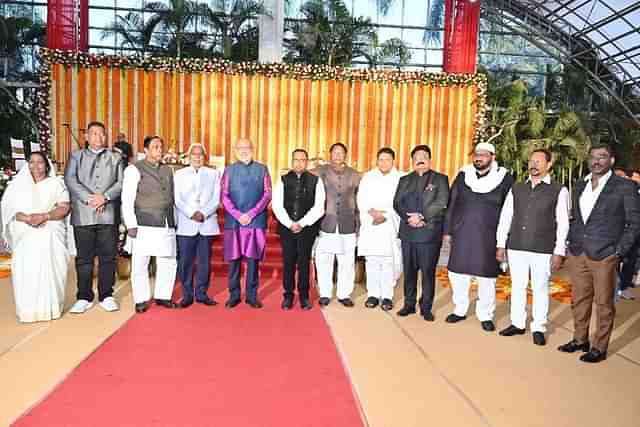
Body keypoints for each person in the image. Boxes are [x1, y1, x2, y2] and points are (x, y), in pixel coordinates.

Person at [558, 145, 640, 363]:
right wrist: (568, 244)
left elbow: (634, 223)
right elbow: (575, 217)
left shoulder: (624, 187)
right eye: (593, 157)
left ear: (611, 160)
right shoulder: (579, 185)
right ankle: (579, 339)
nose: (596, 161)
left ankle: (599, 347)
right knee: (579, 300)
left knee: (604, 303)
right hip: (578, 251)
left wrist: (619, 251)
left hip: (605, 254)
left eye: (602, 157)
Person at [495, 149, 570, 346]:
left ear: (548, 165)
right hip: (517, 245)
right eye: (531, 161)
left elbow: (563, 223)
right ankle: (517, 323)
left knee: (540, 288)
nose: (533, 164)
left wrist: (559, 251)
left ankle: (539, 327)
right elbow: (506, 217)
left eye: (538, 161)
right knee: (517, 286)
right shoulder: (517, 188)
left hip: (543, 248)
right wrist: (501, 244)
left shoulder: (559, 190)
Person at [444, 142, 514, 331]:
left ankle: (486, 314)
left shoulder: (504, 178)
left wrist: (504, 240)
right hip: (463, 232)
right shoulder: (463, 175)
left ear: (492, 156)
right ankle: (460, 309)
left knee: (486, 277)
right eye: (476, 154)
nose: (478, 157)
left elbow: (509, 210)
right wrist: (448, 231)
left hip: (489, 235)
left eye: (483, 154)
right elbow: (452, 203)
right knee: (457, 273)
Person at [1, 152, 71, 322]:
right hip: (24, 229)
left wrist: (45, 216)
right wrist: (27, 219)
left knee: (48, 241)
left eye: (40, 162)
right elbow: (9, 211)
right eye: (32, 162)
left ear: (46, 165)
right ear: (27, 165)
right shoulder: (17, 186)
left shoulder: (56, 183)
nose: (36, 166)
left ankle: (51, 308)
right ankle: (28, 311)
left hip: (50, 227)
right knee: (27, 266)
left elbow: (64, 207)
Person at [64, 121, 124, 314]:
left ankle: (106, 295)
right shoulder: (76, 156)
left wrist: (104, 197)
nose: (98, 137)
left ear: (105, 137)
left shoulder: (116, 157)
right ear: (87, 137)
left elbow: (121, 182)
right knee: (84, 258)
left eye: (102, 134)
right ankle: (84, 296)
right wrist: (90, 198)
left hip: (108, 215)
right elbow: (70, 179)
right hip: (83, 214)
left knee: (108, 257)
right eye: (94, 134)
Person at [122, 136, 179, 313]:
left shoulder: (168, 170)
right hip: (143, 223)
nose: (159, 150)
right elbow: (127, 198)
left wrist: (174, 221)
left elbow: (172, 197)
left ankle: (163, 295)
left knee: (168, 261)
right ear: (145, 150)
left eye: (160, 147)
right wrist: (130, 224)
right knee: (141, 263)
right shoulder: (134, 169)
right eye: (155, 147)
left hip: (166, 222)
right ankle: (141, 299)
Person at [393, 145, 449, 320]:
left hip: (429, 234)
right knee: (409, 272)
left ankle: (426, 307)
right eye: (417, 156)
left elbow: (441, 203)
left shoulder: (440, 179)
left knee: (427, 272)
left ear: (430, 160)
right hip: (408, 233)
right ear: (412, 161)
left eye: (424, 156)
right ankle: (409, 305)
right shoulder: (405, 180)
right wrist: (409, 218)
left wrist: (422, 216)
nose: (420, 159)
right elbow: (397, 203)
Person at [221, 138, 272, 309]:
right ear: (235, 150)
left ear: (253, 148)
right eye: (240, 148)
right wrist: (237, 215)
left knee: (253, 260)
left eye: (247, 147)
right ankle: (234, 295)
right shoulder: (229, 170)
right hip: (234, 222)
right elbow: (224, 195)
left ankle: (251, 295)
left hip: (255, 221)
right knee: (234, 260)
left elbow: (267, 194)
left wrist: (251, 214)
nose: (244, 150)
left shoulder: (262, 169)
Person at [272, 149, 325, 310]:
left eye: (302, 160)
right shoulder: (282, 180)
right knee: (288, 262)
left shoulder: (316, 181)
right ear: (292, 161)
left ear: (307, 162)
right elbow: (277, 205)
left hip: (307, 229)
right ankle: (288, 295)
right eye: (296, 159)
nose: (299, 162)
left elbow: (319, 207)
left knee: (304, 263)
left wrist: (302, 223)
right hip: (287, 229)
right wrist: (290, 224)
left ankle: (304, 296)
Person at [313, 142, 361, 307]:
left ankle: (344, 294)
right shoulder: (320, 171)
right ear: (330, 154)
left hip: (348, 223)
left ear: (345, 155)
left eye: (341, 152)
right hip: (327, 222)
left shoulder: (355, 175)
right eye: (335, 152)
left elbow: (360, 200)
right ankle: (325, 293)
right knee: (324, 260)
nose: (338, 155)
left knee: (347, 261)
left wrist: (359, 226)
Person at [174, 143, 221, 308]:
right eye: (194, 154)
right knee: (185, 261)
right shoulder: (178, 174)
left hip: (206, 223)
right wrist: (191, 213)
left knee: (204, 261)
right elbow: (177, 198)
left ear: (204, 157)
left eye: (200, 154)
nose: (197, 157)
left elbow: (216, 198)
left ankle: (201, 293)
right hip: (186, 223)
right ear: (188, 156)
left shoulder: (214, 174)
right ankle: (187, 294)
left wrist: (204, 213)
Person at [357, 147, 403, 311]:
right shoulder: (368, 177)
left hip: (390, 223)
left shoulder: (401, 178)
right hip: (371, 222)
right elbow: (361, 199)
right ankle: (373, 294)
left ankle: (387, 296)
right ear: (377, 161)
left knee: (389, 261)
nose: (384, 162)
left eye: (387, 159)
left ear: (393, 161)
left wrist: (386, 215)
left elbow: (401, 201)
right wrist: (372, 214)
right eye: (381, 159)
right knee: (372, 260)